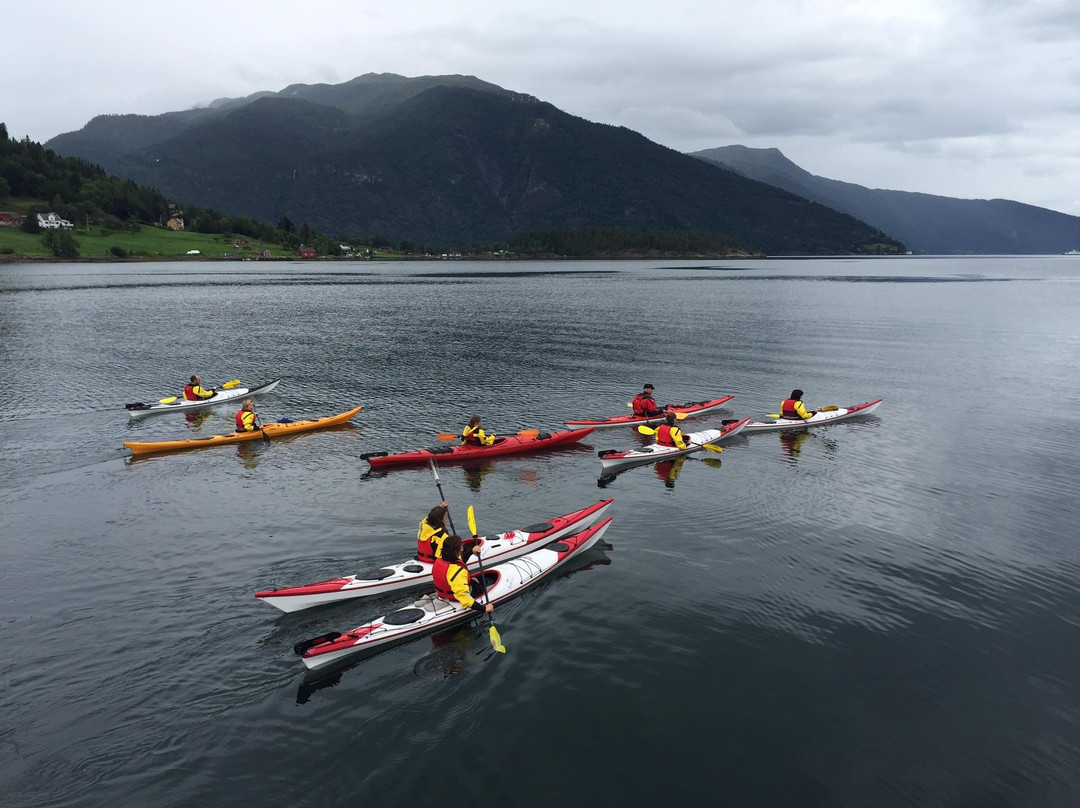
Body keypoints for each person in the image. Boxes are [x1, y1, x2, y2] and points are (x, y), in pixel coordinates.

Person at [432, 534, 494, 614]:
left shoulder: (439, 561)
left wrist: (472, 551)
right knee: (488, 585)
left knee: (477, 580)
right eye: (461, 547)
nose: (462, 549)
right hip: (456, 597)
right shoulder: (458, 573)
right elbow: (464, 598)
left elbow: (460, 560)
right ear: (457, 551)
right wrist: (484, 608)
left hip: (444, 593)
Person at [416, 502, 481, 563]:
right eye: (445, 518)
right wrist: (471, 551)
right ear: (440, 520)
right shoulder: (442, 536)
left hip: (421, 558)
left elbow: (431, 516)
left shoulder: (423, 526)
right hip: (432, 562)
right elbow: (453, 559)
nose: (446, 521)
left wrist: (440, 508)